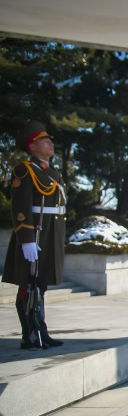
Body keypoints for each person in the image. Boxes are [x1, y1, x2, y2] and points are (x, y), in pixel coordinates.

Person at [2, 121, 66, 349]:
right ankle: (28, 334)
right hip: (34, 234)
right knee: (28, 284)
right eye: (45, 141)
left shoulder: (52, 172)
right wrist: (26, 240)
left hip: (50, 233)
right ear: (32, 146)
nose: (51, 144)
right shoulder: (25, 170)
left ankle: (41, 330)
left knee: (42, 284)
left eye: (50, 141)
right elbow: (20, 207)